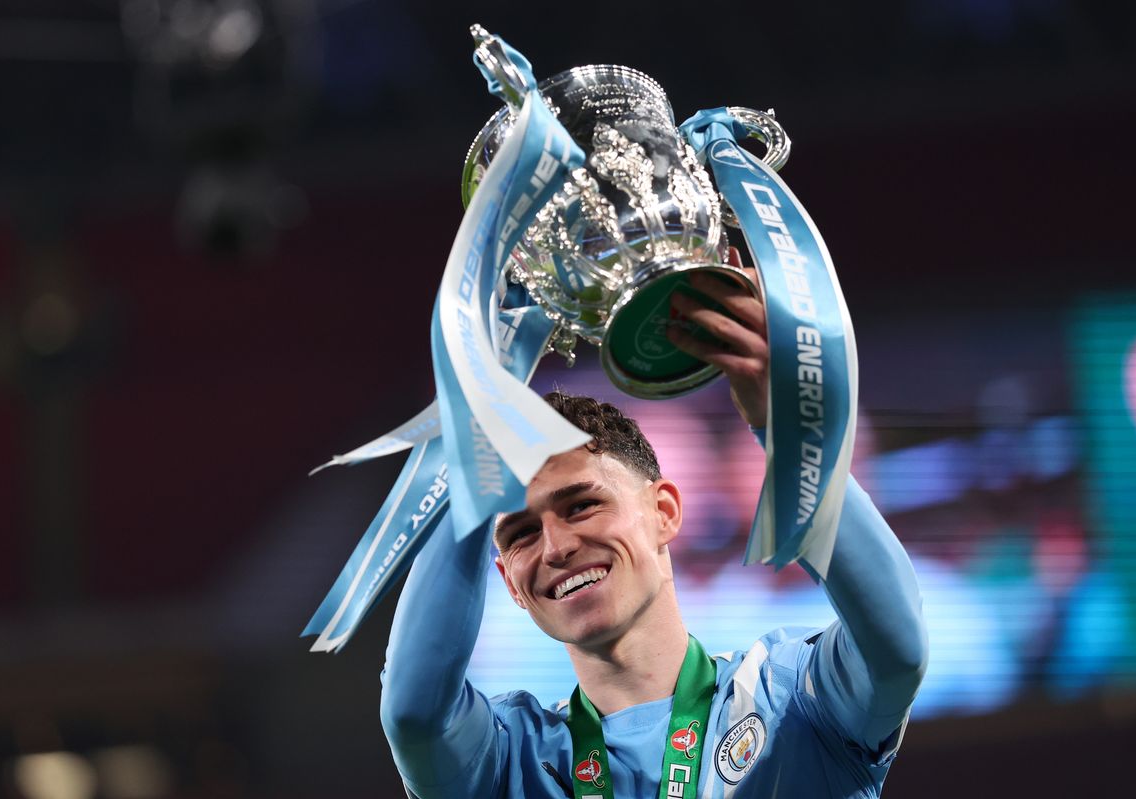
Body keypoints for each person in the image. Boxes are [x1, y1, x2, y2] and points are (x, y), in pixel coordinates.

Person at [380, 250, 928, 798]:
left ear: (664, 512)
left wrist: (788, 427)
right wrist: (468, 457)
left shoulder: (786, 699)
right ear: (509, 584)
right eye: (521, 533)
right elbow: (414, 716)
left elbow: (896, 650)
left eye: (582, 506)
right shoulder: (512, 760)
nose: (556, 546)